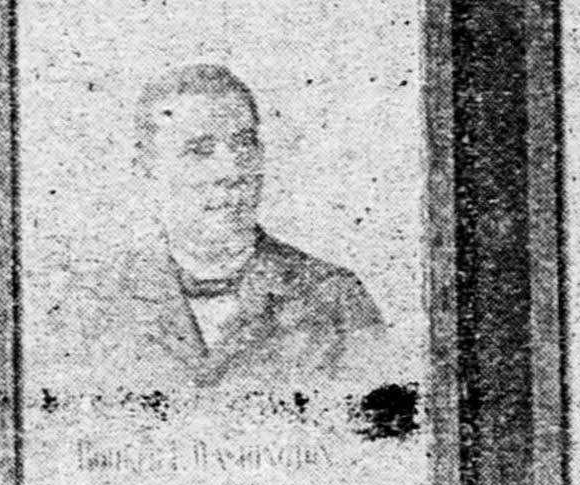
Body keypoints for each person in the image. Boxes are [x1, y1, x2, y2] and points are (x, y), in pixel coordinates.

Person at [46, 58, 385, 396]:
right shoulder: (90, 307)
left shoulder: (337, 301)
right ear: (147, 169)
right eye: (200, 150)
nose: (232, 170)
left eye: (244, 144)